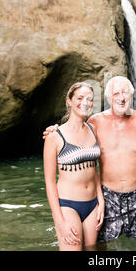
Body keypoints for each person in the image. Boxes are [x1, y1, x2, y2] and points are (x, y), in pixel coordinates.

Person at [43, 76, 136, 247]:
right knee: (100, 244)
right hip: (108, 196)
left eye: (125, 93)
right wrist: (53, 130)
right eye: (116, 93)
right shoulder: (95, 123)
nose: (121, 97)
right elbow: (74, 129)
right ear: (108, 98)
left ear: (131, 95)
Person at [43, 82, 105, 251]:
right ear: (69, 101)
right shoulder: (54, 137)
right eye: (79, 98)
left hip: (93, 206)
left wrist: (101, 202)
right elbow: (49, 182)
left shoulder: (93, 129)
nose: (85, 102)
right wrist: (59, 220)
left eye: (90, 99)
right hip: (68, 206)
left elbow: (94, 170)